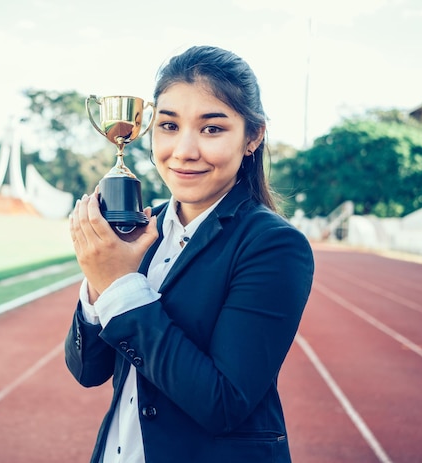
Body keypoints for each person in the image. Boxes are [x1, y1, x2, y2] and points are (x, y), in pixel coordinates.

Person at [65, 45, 314, 463]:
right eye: (168, 125)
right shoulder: (143, 227)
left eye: (212, 129)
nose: (183, 150)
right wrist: (97, 281)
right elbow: (89, 370)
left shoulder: (273, 245)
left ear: (252, 137)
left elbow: (223, 402)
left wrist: (120, 284)